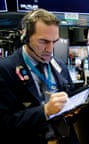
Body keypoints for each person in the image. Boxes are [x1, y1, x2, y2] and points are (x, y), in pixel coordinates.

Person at [0, 8, 80, 144]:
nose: (50, 49)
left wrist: (72, 110)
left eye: (54, 42)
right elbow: (5, 122)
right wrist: (44, 111)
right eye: (43, 42)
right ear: (25, 37)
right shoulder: (5, 69)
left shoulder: (59, 65)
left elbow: (69, 95)